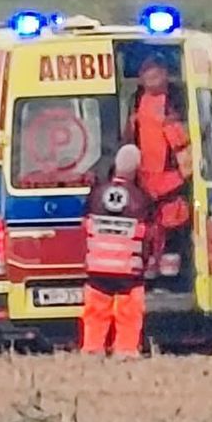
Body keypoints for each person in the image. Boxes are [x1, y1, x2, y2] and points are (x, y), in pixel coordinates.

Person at [125, 53, 193, 276]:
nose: (150, 79)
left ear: (164, 74)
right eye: (146, 75)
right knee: (149, 234)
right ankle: (153, 272)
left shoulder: (176, 99)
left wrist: (183, 175)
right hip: (146, 182)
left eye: (155, 74)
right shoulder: (136, 100)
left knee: (174, 232)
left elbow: (184, 142)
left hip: (172, 181)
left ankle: (172, 277)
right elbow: (130, 137)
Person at [80, 144, 151, 357]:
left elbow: (85, 225)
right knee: (129, 313)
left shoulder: (96, 194)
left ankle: (92, 349)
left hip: (98, 267)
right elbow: (148, 235)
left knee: (95, 312)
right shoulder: (141, 199)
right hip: (128, 270)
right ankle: (126, 351)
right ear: (137, 169)